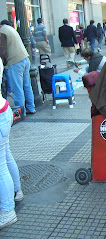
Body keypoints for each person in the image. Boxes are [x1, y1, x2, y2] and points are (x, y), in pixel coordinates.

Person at [0, 57, 24, 229]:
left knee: (1, 166)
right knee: (6, 156)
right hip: (3, 109)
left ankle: (8, 211)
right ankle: (17, 192)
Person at [0, 22, 36, 115]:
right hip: (24, 58)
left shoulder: (2, 32)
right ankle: (31, 108)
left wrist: (2, 63)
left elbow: (2, 51)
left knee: (17, 88)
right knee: (27, 85)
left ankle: (21, 112)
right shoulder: (9, 29)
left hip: (15, 62)